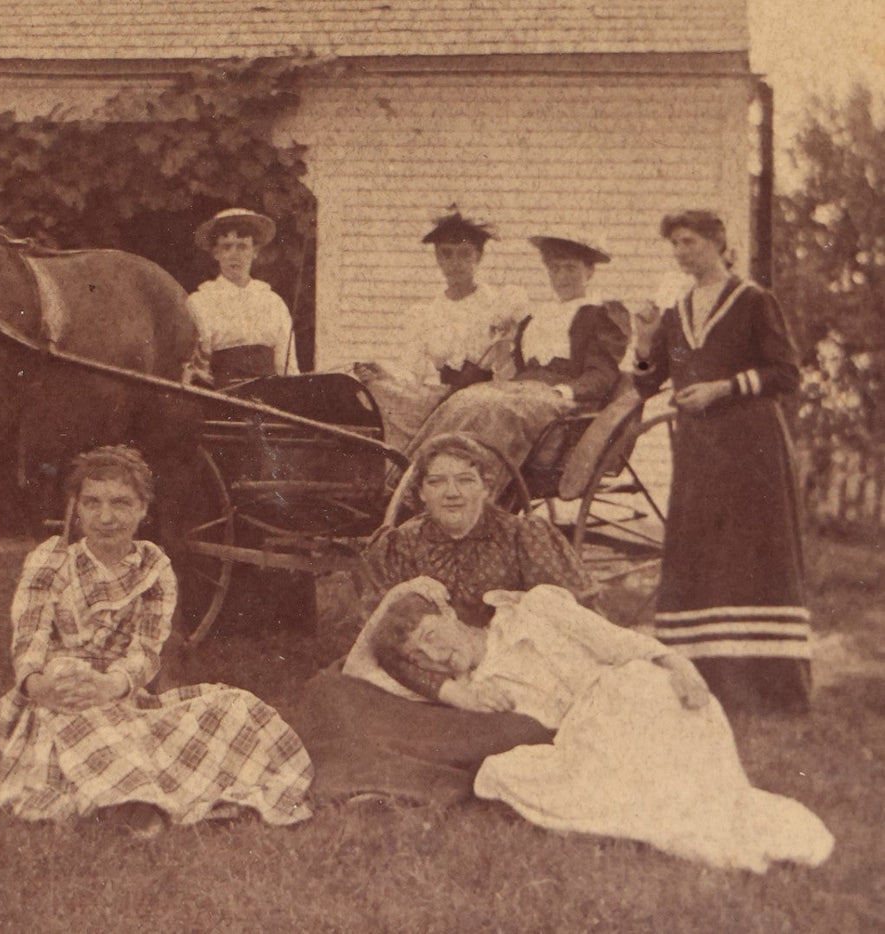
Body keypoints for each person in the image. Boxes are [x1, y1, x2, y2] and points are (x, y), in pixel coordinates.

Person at [393, 584, 834, 872]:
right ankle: (695, 821)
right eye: (420, 657)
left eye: (431, 635)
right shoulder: (477, 691)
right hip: (586, 735)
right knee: (503, 771)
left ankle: (714, 826)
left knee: (676, 791)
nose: (435, 656)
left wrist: (676, 663)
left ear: (449, 614)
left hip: (635, 692)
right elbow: (364, 668)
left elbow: (615, 642)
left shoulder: (535, 610)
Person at [0, 446, 313, 836]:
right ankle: (128, 802)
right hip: (57, 696)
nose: (106, 517)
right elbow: (29, 637)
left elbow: (145, 652)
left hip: (121, 694)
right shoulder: (50, 560)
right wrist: (40, 686)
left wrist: (112, 685)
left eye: (121, 503)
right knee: (76, 694)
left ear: (143, 509)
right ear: (76, 508)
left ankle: (133, 793)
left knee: (236, 708)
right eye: (92, 503)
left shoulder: (154, 568)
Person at [288, 433, 595, 806]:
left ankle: (416, 781)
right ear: (421, 493)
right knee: (326, 694)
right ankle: (398, 779)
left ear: (487, 487)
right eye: (437, 481)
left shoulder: (522, 537)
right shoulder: (400, 544)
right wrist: (445, 687)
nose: (453, 493)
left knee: (525, 730)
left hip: (499, 690)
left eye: (466, 480)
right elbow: (380, 642)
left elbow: (574, 618)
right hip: (410, 687)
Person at [634, 210, 812, 712]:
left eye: (688, 242)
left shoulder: (755, 301)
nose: (680, 253)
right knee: (701, 556)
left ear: (717, 242)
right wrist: (645, 343)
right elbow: (648, 383)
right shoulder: (676, 311)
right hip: (698, 454)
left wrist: (723, 387)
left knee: (751, 556)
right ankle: (705, 683)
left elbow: (787, 373)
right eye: (675, 245)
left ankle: (768, 690)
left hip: (751, 448)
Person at [403, 232, 630, 470]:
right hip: (526, 390)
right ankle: (413, 471)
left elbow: (602, 375)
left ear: (589, 272)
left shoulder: (600, 314)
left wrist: (563, 391)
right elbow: (517, 366)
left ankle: (482, 483)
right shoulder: (539, 316)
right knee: (464, 400)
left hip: (563, 399)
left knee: (496, 409)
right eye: (555, 269)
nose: (562, 277)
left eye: (571, 269)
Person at [354, 207, 530, 448]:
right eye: (447, 254)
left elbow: (508, 366)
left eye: (464, 254)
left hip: (486, 399)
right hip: (445, 396)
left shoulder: (498, 305)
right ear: (437, 258)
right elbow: (411, 371)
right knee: (379, 390)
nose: (455, 263)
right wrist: (383, 374)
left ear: (478, 257)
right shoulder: (427, 314)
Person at [186, 208, 295, 386]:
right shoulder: (200, 301)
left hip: (270, 398)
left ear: (255, 252)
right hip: (220, 398)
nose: (234, 254)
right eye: (227, 247)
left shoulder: (273, 302)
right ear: (216, 253)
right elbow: (197, 367)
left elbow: (287, 367)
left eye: (242, 246)